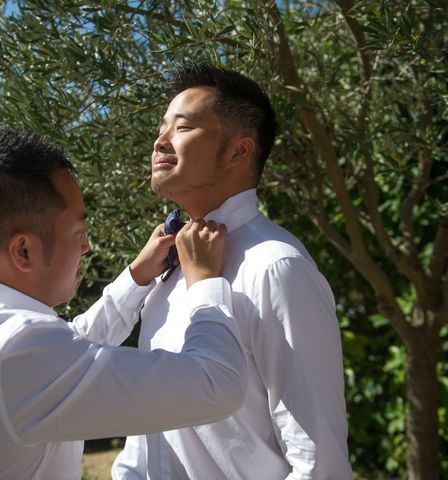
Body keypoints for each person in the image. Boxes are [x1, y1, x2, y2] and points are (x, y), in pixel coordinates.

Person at [0, 127, 250, 479]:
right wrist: (205, 282)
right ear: (23, 250)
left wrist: (136, 277)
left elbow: (68, 352)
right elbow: (216, 385)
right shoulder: (15, 353)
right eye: (77, 232)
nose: (85, 247)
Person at [112, 64, 352, 479]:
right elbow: (148, 430)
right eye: (162, 126)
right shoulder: (166, 265)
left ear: (239, 151)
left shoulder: (276, 267)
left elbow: (319, 462)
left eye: (182, 127)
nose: (159, 141)